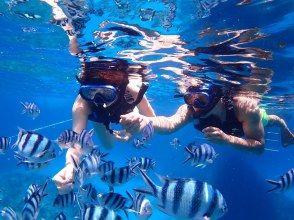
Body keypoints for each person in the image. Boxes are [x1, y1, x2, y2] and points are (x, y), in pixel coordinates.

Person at [42, 0, 155, 194]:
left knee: (122, 138)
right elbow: (76, 142)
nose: (98, 99)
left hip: (126, 110)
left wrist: (137, 125)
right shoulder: (83, 103)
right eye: (91, 92)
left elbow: (153, 121)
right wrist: (70, 166)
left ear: (118, 88)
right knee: (108, 145)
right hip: (99, 121)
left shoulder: (131, 89)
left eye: (106, 92)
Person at [118, 82, 294, 150]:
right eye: (190, 99)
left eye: (201, 100)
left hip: (245, 123)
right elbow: (170, 124)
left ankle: (282, 124)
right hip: (232, 128)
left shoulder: (244, 107)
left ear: (217, 98)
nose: (195, 107)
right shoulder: (190, 110)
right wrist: (144, 121)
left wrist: (227, 139)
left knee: (270, 120)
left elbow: (259, 147)